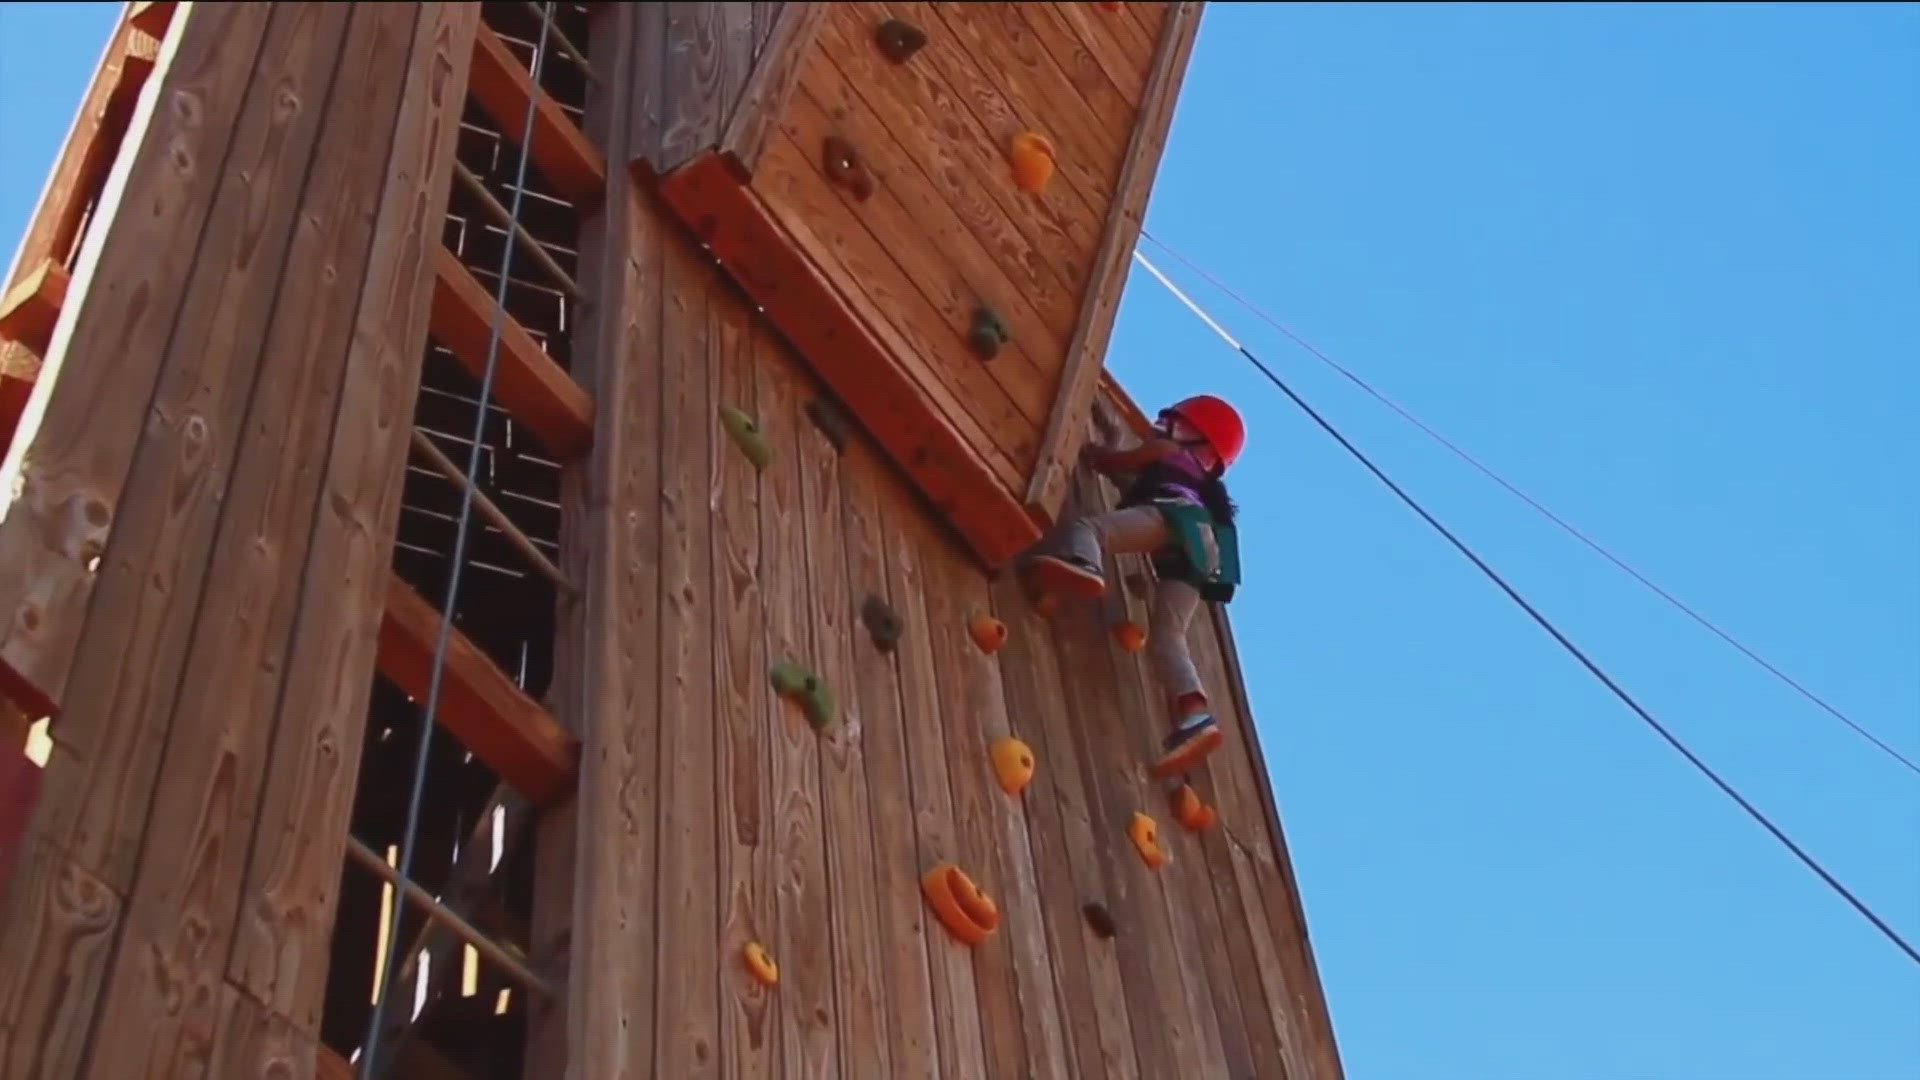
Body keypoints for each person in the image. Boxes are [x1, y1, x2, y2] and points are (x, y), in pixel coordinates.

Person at [1020, 394, 1247, 778]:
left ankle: (1086, 564)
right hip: (1198, 556)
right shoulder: (1199, 486)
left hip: (1170, 520)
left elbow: (1124, 463)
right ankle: (1195, 715)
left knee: (1089, 529)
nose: (1160, 426)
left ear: (1199, 437)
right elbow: (1132, 479)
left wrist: (1097, 454)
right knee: (1169, 638)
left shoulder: (1166, 454)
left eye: (1176, 422)